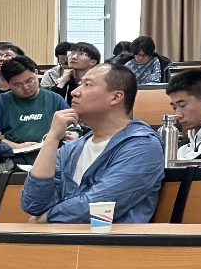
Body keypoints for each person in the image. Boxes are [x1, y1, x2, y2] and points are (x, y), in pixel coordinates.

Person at [22, 64, 163, 224]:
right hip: (62, 237)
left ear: (116, 97)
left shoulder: (142, 146)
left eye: (87, 85)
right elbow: (33, 204)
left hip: (111, 238)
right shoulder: (71, 148)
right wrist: (52, 138)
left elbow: (102, 204)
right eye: (79, 84)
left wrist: (48, 218)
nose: (75, 92)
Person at [0, 56, 68, 167]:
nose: (26, 87)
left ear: (36, 73)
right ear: (8, 84)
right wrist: (18, 146)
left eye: (30, 80)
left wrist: (71, 134)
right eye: (18, 85)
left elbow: (72, 127)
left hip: (53, 155)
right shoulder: (0, 103)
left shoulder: (54, 99)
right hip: (14, 158)